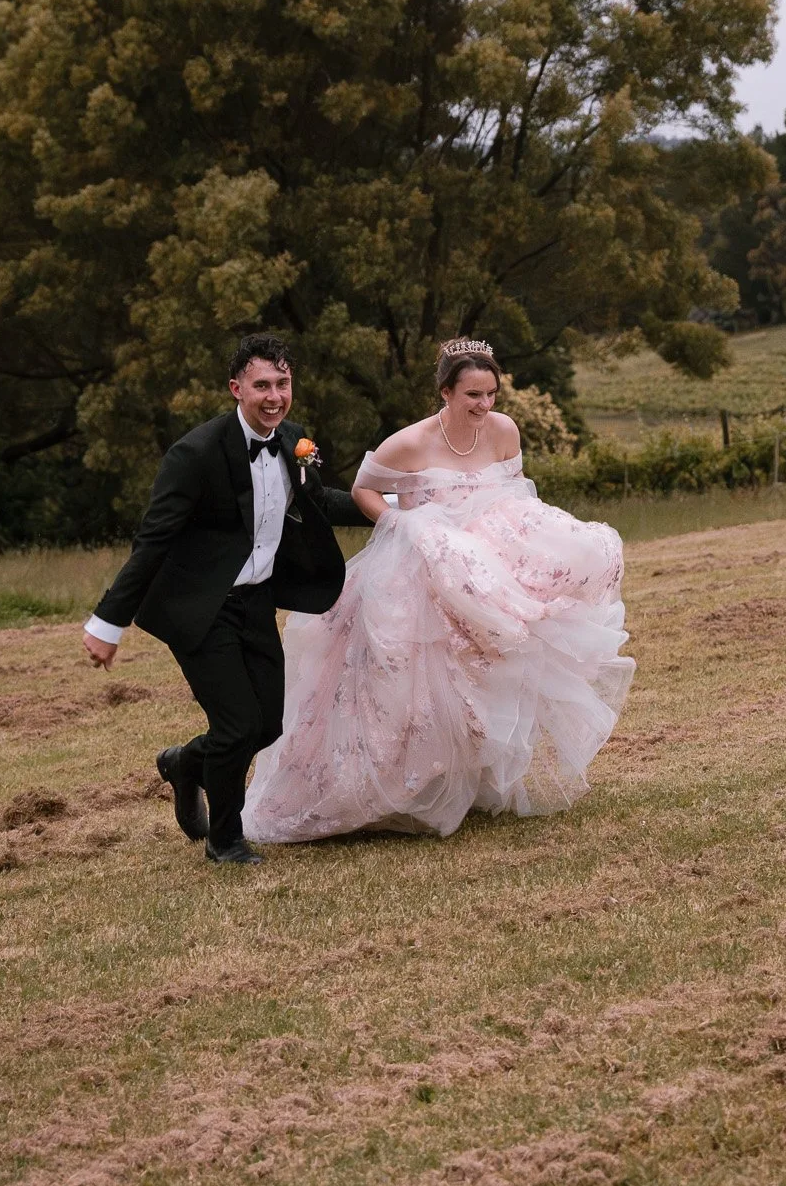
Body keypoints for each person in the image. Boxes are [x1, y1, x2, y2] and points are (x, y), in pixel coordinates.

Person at [244, 338, 634, 843]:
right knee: (407, 683)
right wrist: (402, 525)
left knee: (557, 591)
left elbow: (516, 491)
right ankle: (375, 790)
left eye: (491, 393)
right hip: (425, 561)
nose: (484, 405)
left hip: (489, 558)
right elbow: (364, 489)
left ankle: (465, 779)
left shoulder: (505, 430)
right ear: (445, 392)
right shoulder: (407, 443)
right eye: (473, 394)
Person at [82, 335, 370, 866]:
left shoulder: (294, 440)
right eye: (262, 385)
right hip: (199, 605)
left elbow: (318, 501)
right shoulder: (194, 453)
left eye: (282, 384)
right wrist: (107, 622)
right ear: (236, 388)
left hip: (256, 601)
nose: (274, 396)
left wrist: (390, 505)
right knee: (237, 726)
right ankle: (225, 840)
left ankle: (186, 763)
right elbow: (154, 540)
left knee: (266, 725)